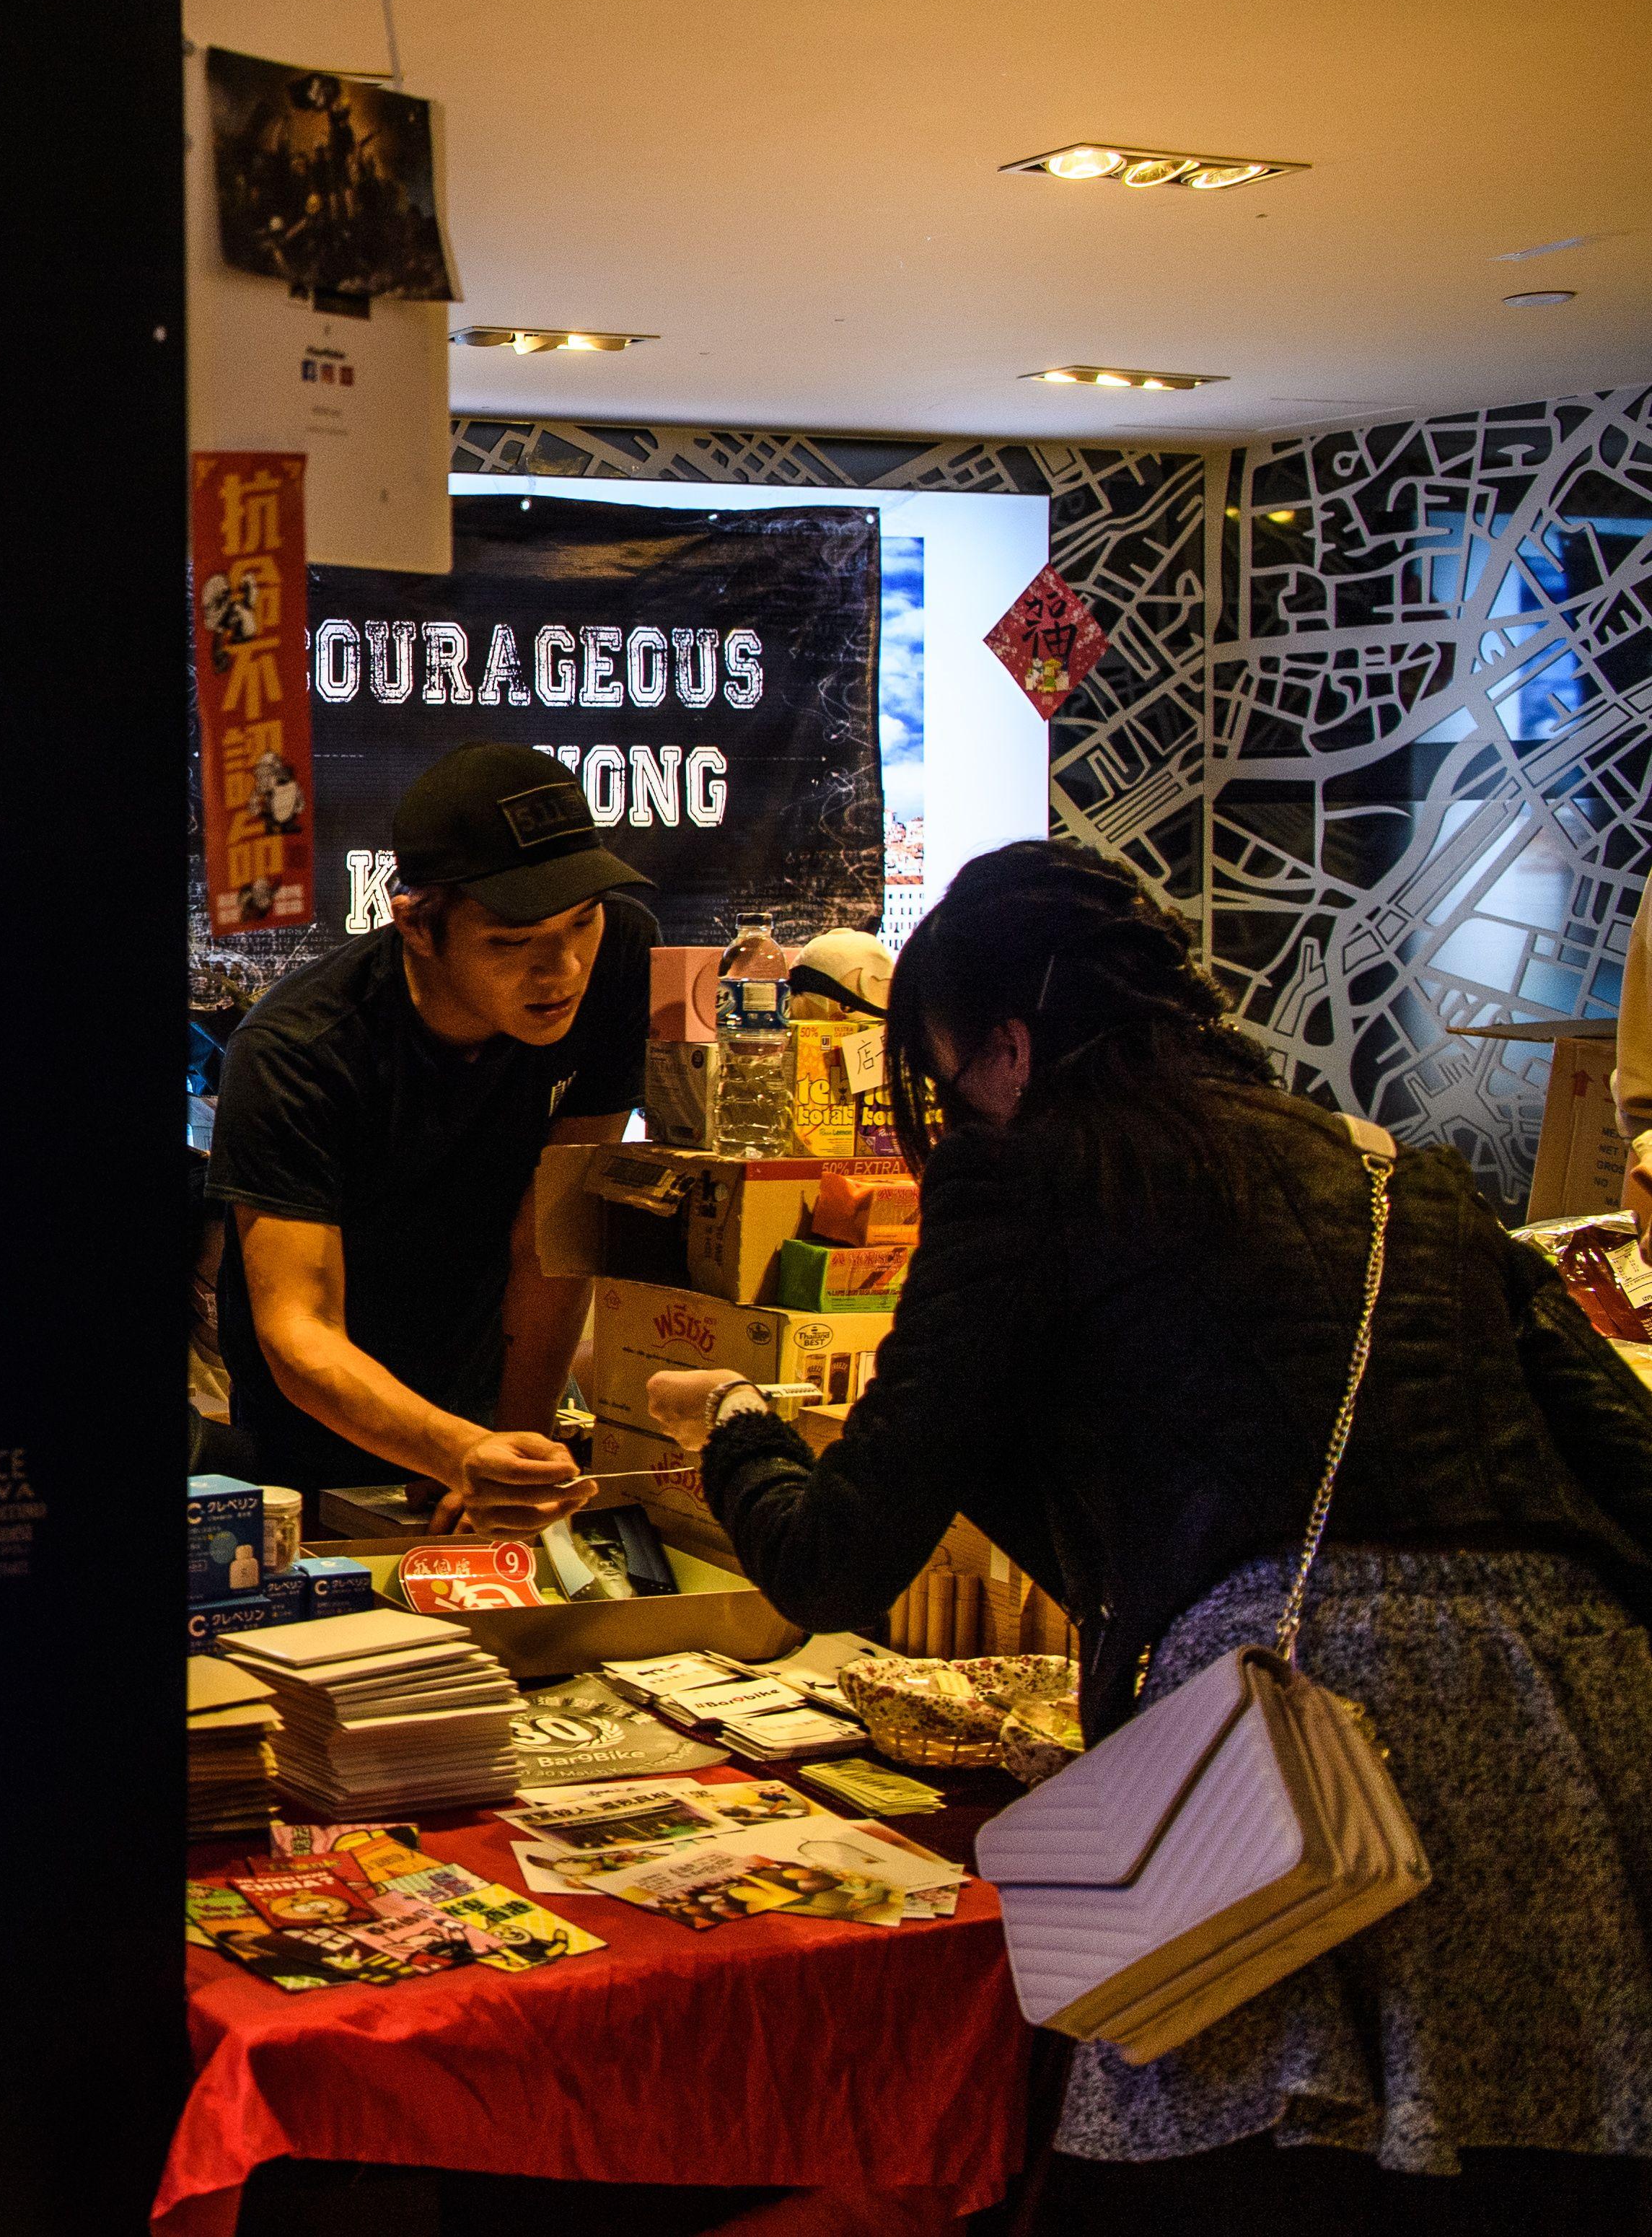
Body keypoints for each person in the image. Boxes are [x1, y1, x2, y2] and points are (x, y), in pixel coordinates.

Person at [645, 841, 1652, 2223]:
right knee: (1528, 2166)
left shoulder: (1027, 1174)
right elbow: (1631, 1470)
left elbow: (837, 1557)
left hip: (1297, 1730)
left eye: (946, 1081)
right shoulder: (1392, 1170)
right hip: (1568, 1732)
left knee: (1219, 2166)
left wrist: (735, 1426)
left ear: (1006, 1044)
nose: (957, 1112)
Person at [210, 742, 657, 1533]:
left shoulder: (618, 954)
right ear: (416, 922)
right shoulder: (298, 1051)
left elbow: (551, 1233)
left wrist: (517, 1453)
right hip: (317, 1433)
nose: (562, 971)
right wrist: (451, 1450)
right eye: (513, 943)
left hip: (481, 1393)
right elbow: (300, 1328)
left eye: (579, 922)